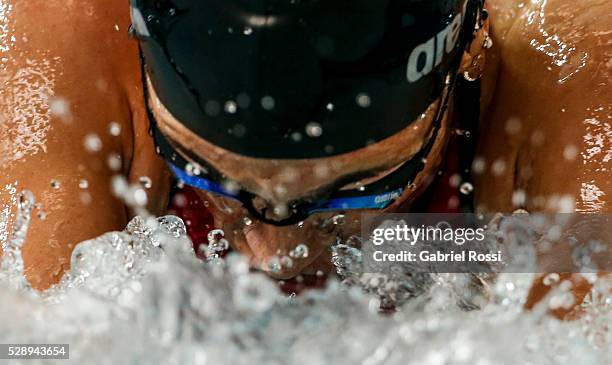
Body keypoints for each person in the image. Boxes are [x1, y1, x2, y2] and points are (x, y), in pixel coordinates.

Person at [0, 0, 610, 304]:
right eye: (206, 173)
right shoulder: (53, 74)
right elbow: (31, 348)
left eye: (355, 186)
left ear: (469, 54)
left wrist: (417, 243)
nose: (277, 258)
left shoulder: (573, 82)